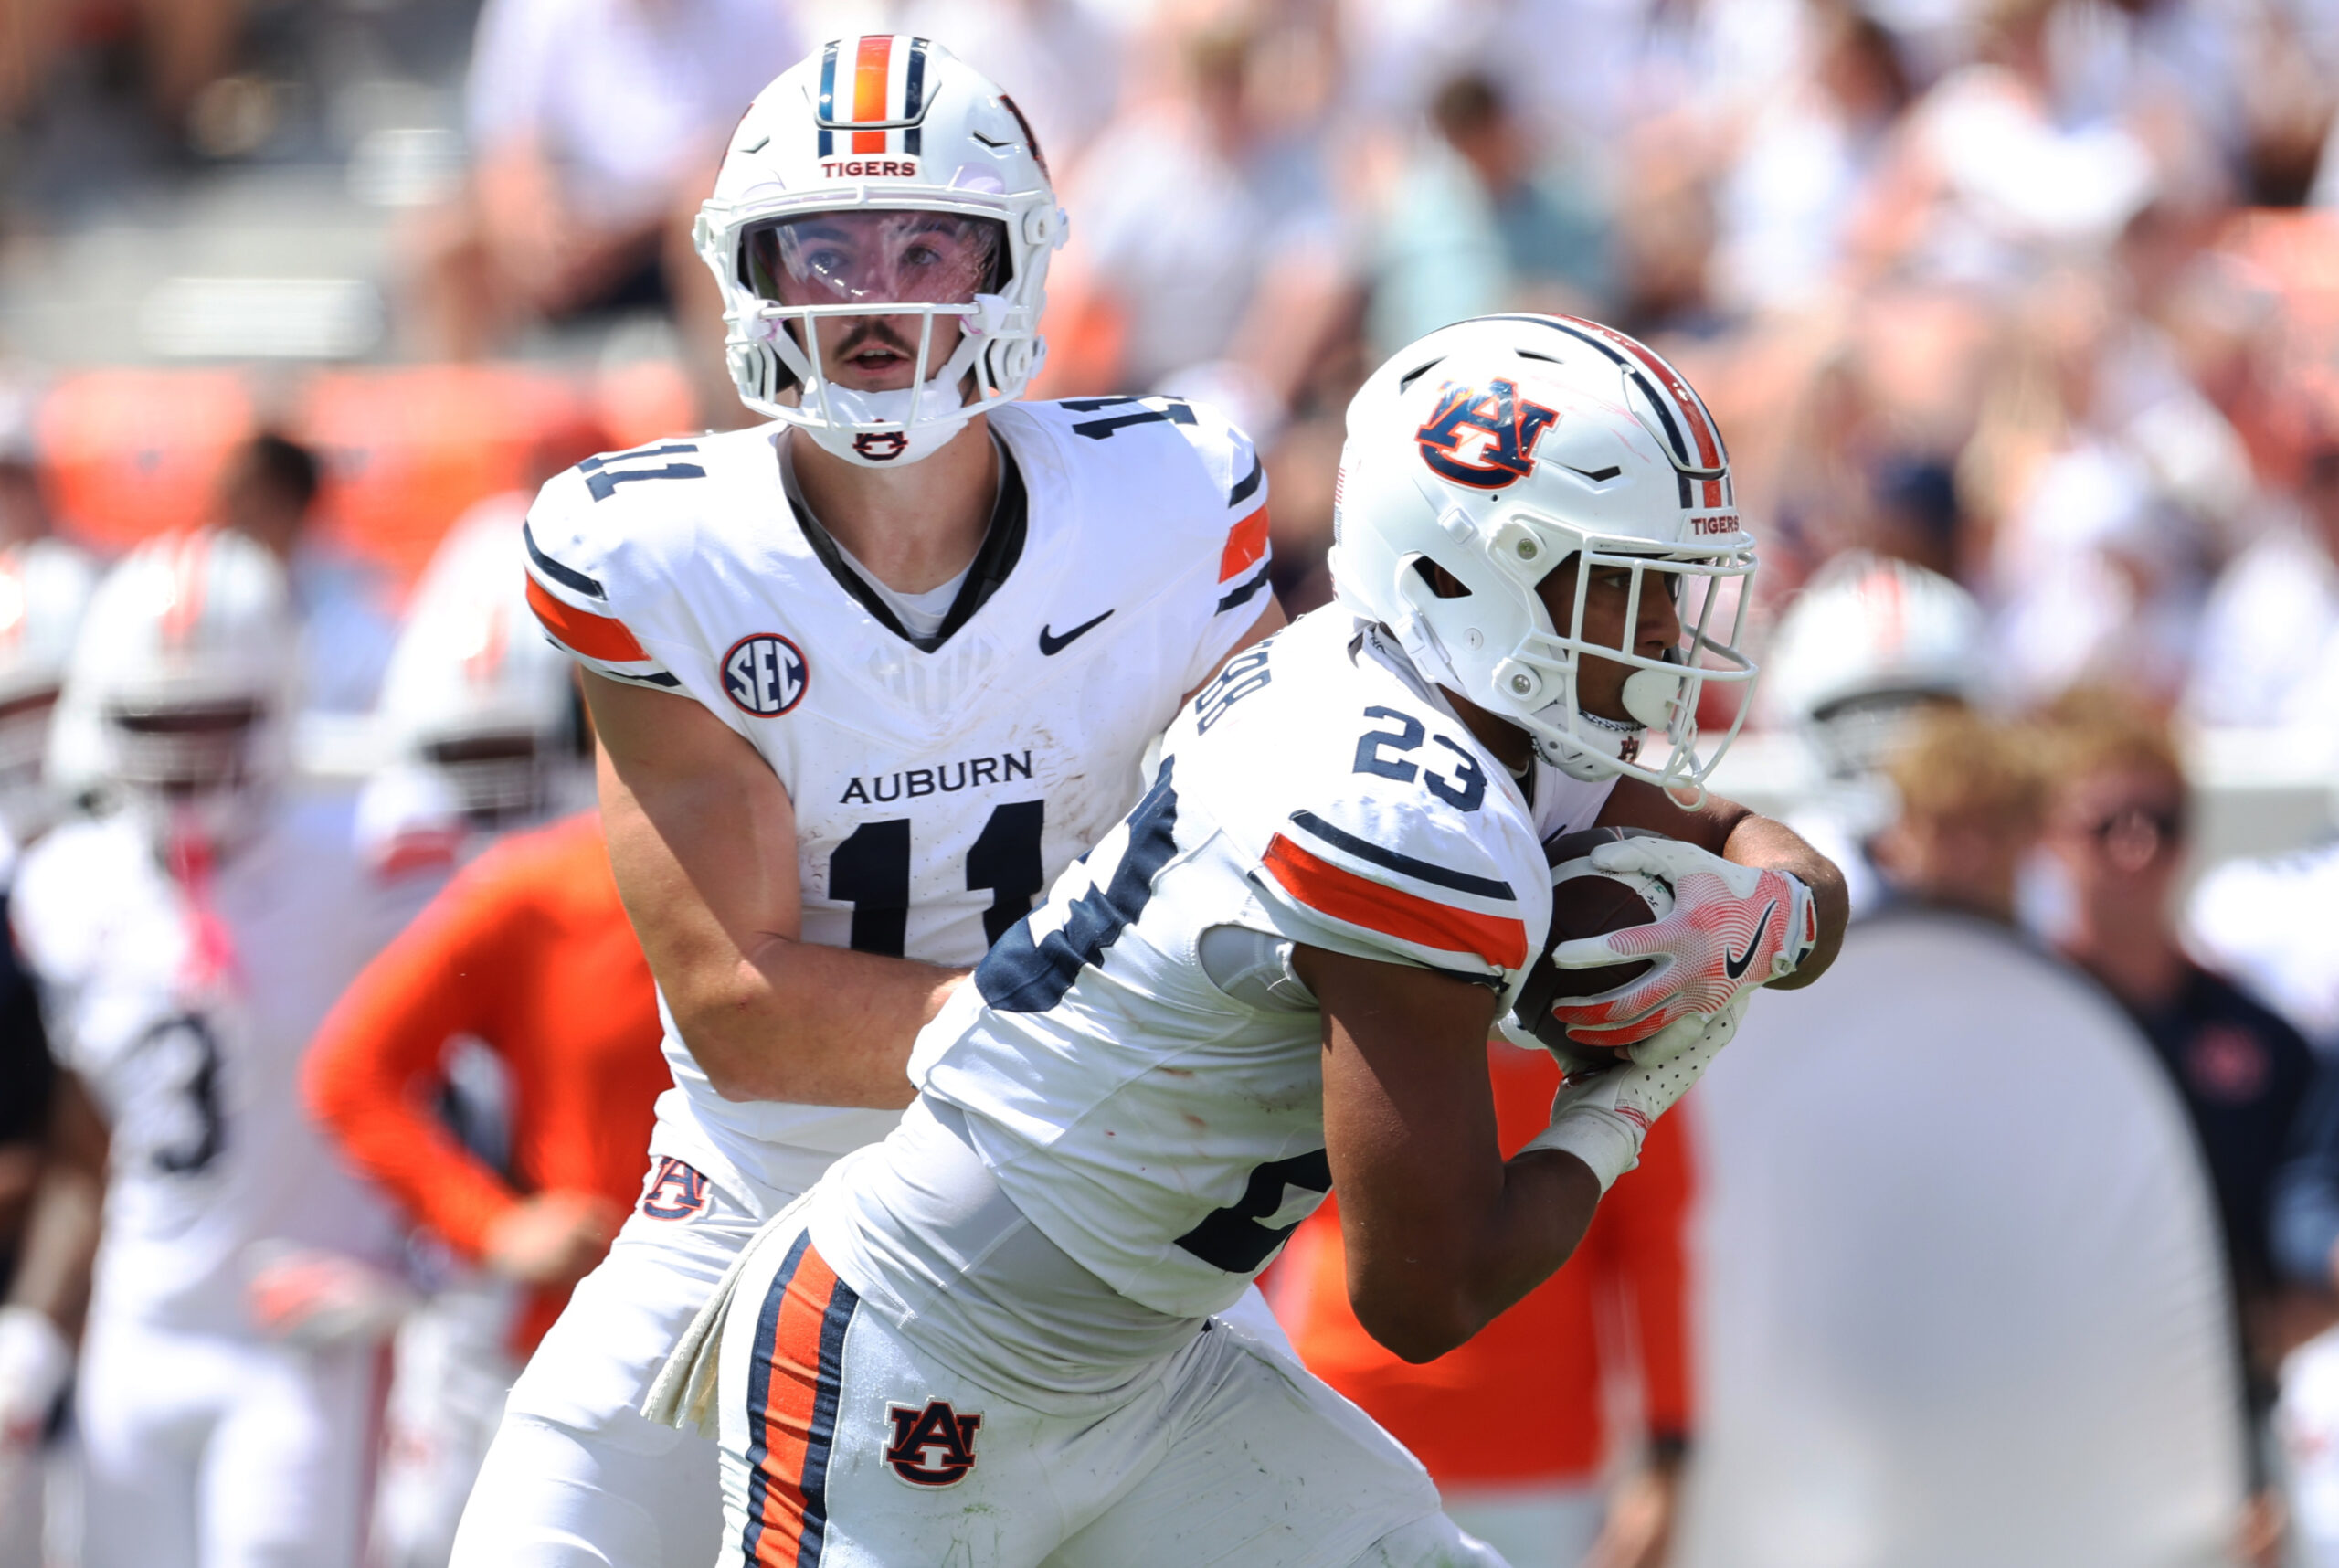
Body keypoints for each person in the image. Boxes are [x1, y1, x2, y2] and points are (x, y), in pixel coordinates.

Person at [658, 313, 1846, 1565]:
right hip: (926, 1345)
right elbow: (1427, 1292)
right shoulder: (1398, 813)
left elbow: (1748, 838)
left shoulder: (1416, 685)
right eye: (1624, 578)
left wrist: (1768, 915)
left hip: (1148, 1365)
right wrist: (1622, 1105)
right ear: (1474, 571)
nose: (1665, 630)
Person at [450, 37, 1285, 1567]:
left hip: (1081, 1210)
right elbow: (747, 1013)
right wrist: (1118, 1030)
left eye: (926, 247)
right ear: (748, 271)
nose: (874, 298)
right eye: (824, 250)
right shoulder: (659, 551)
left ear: (1014, 262)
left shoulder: (1164, 498)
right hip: (762, 1188)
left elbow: (1294, 838)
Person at [1678, 706, 2254, 1565]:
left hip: (2037, 1397)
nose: (1968, 853)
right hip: (1864, 1396)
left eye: (1993, 827)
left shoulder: (2090, 1012)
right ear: (1903, 832)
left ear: (2032, 836)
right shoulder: (1830, 1001)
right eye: (1946, 825)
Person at [5, 529, 439, 1568]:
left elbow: (476, 1071)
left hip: (296, 1331)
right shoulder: (66, 887)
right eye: (158, 721)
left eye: (215, 718)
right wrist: (40, 1322)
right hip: (139, 1328)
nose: (187, 753)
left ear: (277, 704)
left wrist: (418, 1268)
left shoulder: (366, 859)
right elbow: (88, 1139)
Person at [305, 807, 668, 1568]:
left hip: (776, 1336)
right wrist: (491, 1224)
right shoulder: (545, 882)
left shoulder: (821, 867)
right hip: (579, 1342)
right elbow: (351, 1074)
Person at [1271, 1040, 1695, 1568]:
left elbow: (1651, 1248)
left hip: (1532, 1466)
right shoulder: (1346, 1006)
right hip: (1342, 1430)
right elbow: (1258, 1199)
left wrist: (1666, 1454)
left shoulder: (1623, 1029)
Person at [211, 430, 398, 717]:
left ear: (290, 505)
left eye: (250, 507)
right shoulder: (216, 594)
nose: (231, 525)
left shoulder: (352, 602)